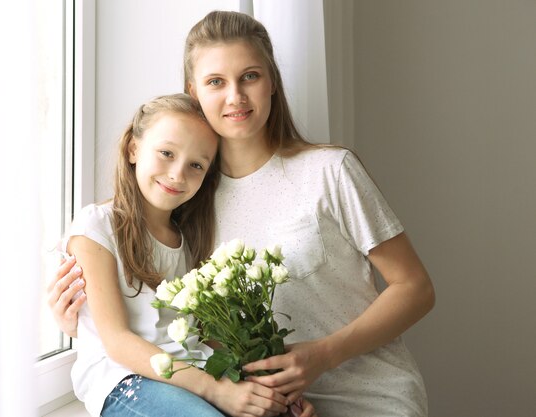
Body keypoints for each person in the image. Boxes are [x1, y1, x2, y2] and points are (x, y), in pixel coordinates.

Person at [48, 11, 435, 417]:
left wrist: (324, 354)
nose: (235, 96)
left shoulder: (329, 171)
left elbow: (415, 288)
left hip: (370, 398)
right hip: (271, 406)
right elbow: (164, 319)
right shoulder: (187, 200)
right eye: (216, 81)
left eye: (250, 76)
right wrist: (79, 319)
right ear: (193, 91)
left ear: (271, 83)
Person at [60, 93, 312, 417]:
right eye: (166, 153)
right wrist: (216, 390)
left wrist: (269, 390)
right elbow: (117, 341)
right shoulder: (97, 226)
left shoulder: (189, 241)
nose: (178, 174)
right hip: (125, 380)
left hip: (192, 375)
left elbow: (208, 336)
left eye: (196, 165)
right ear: (133, 148)